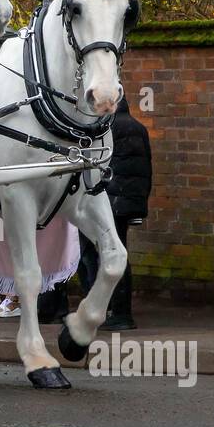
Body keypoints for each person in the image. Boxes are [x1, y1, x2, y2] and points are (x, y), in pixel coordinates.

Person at [77, 96, 153, 331]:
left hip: (107, 201)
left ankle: (106, 310)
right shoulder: (138, 127)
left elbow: (98, 167)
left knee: (91, 254)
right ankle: (118, 312)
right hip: (127, 201)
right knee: (118, 254)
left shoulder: (105, 128)